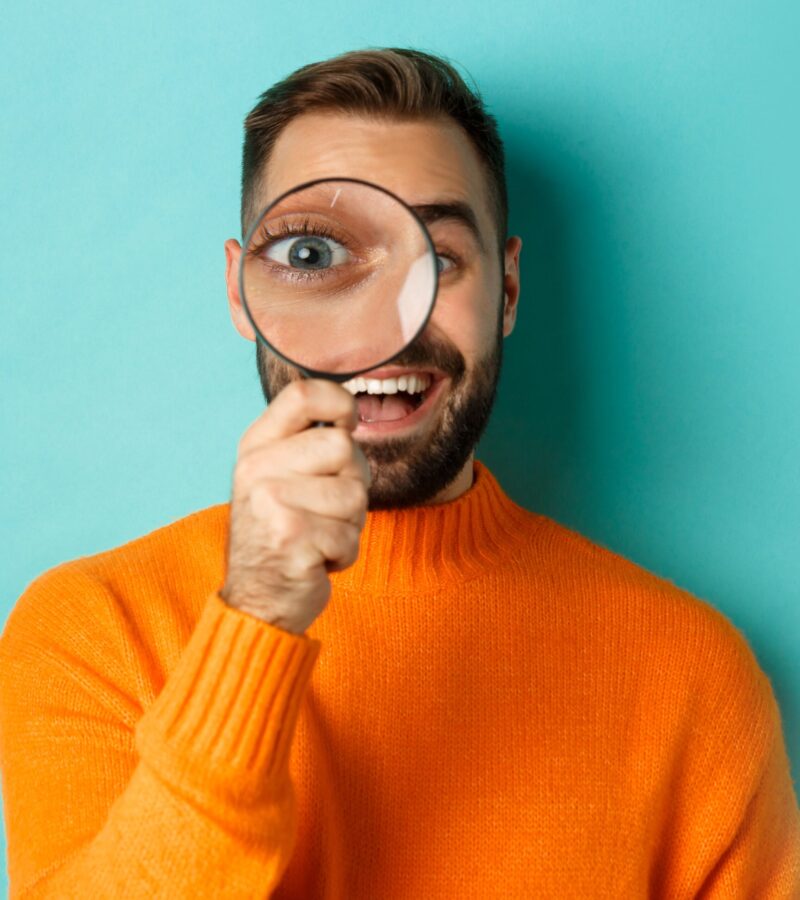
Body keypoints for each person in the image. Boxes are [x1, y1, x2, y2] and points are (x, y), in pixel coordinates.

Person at [0, 47, 798, 899]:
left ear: (510, 289)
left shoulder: (694, 675)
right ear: (241, 294)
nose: (386, 323)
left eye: (440, 259)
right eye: (311, 256)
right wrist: (255, 623)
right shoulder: (92, 632)